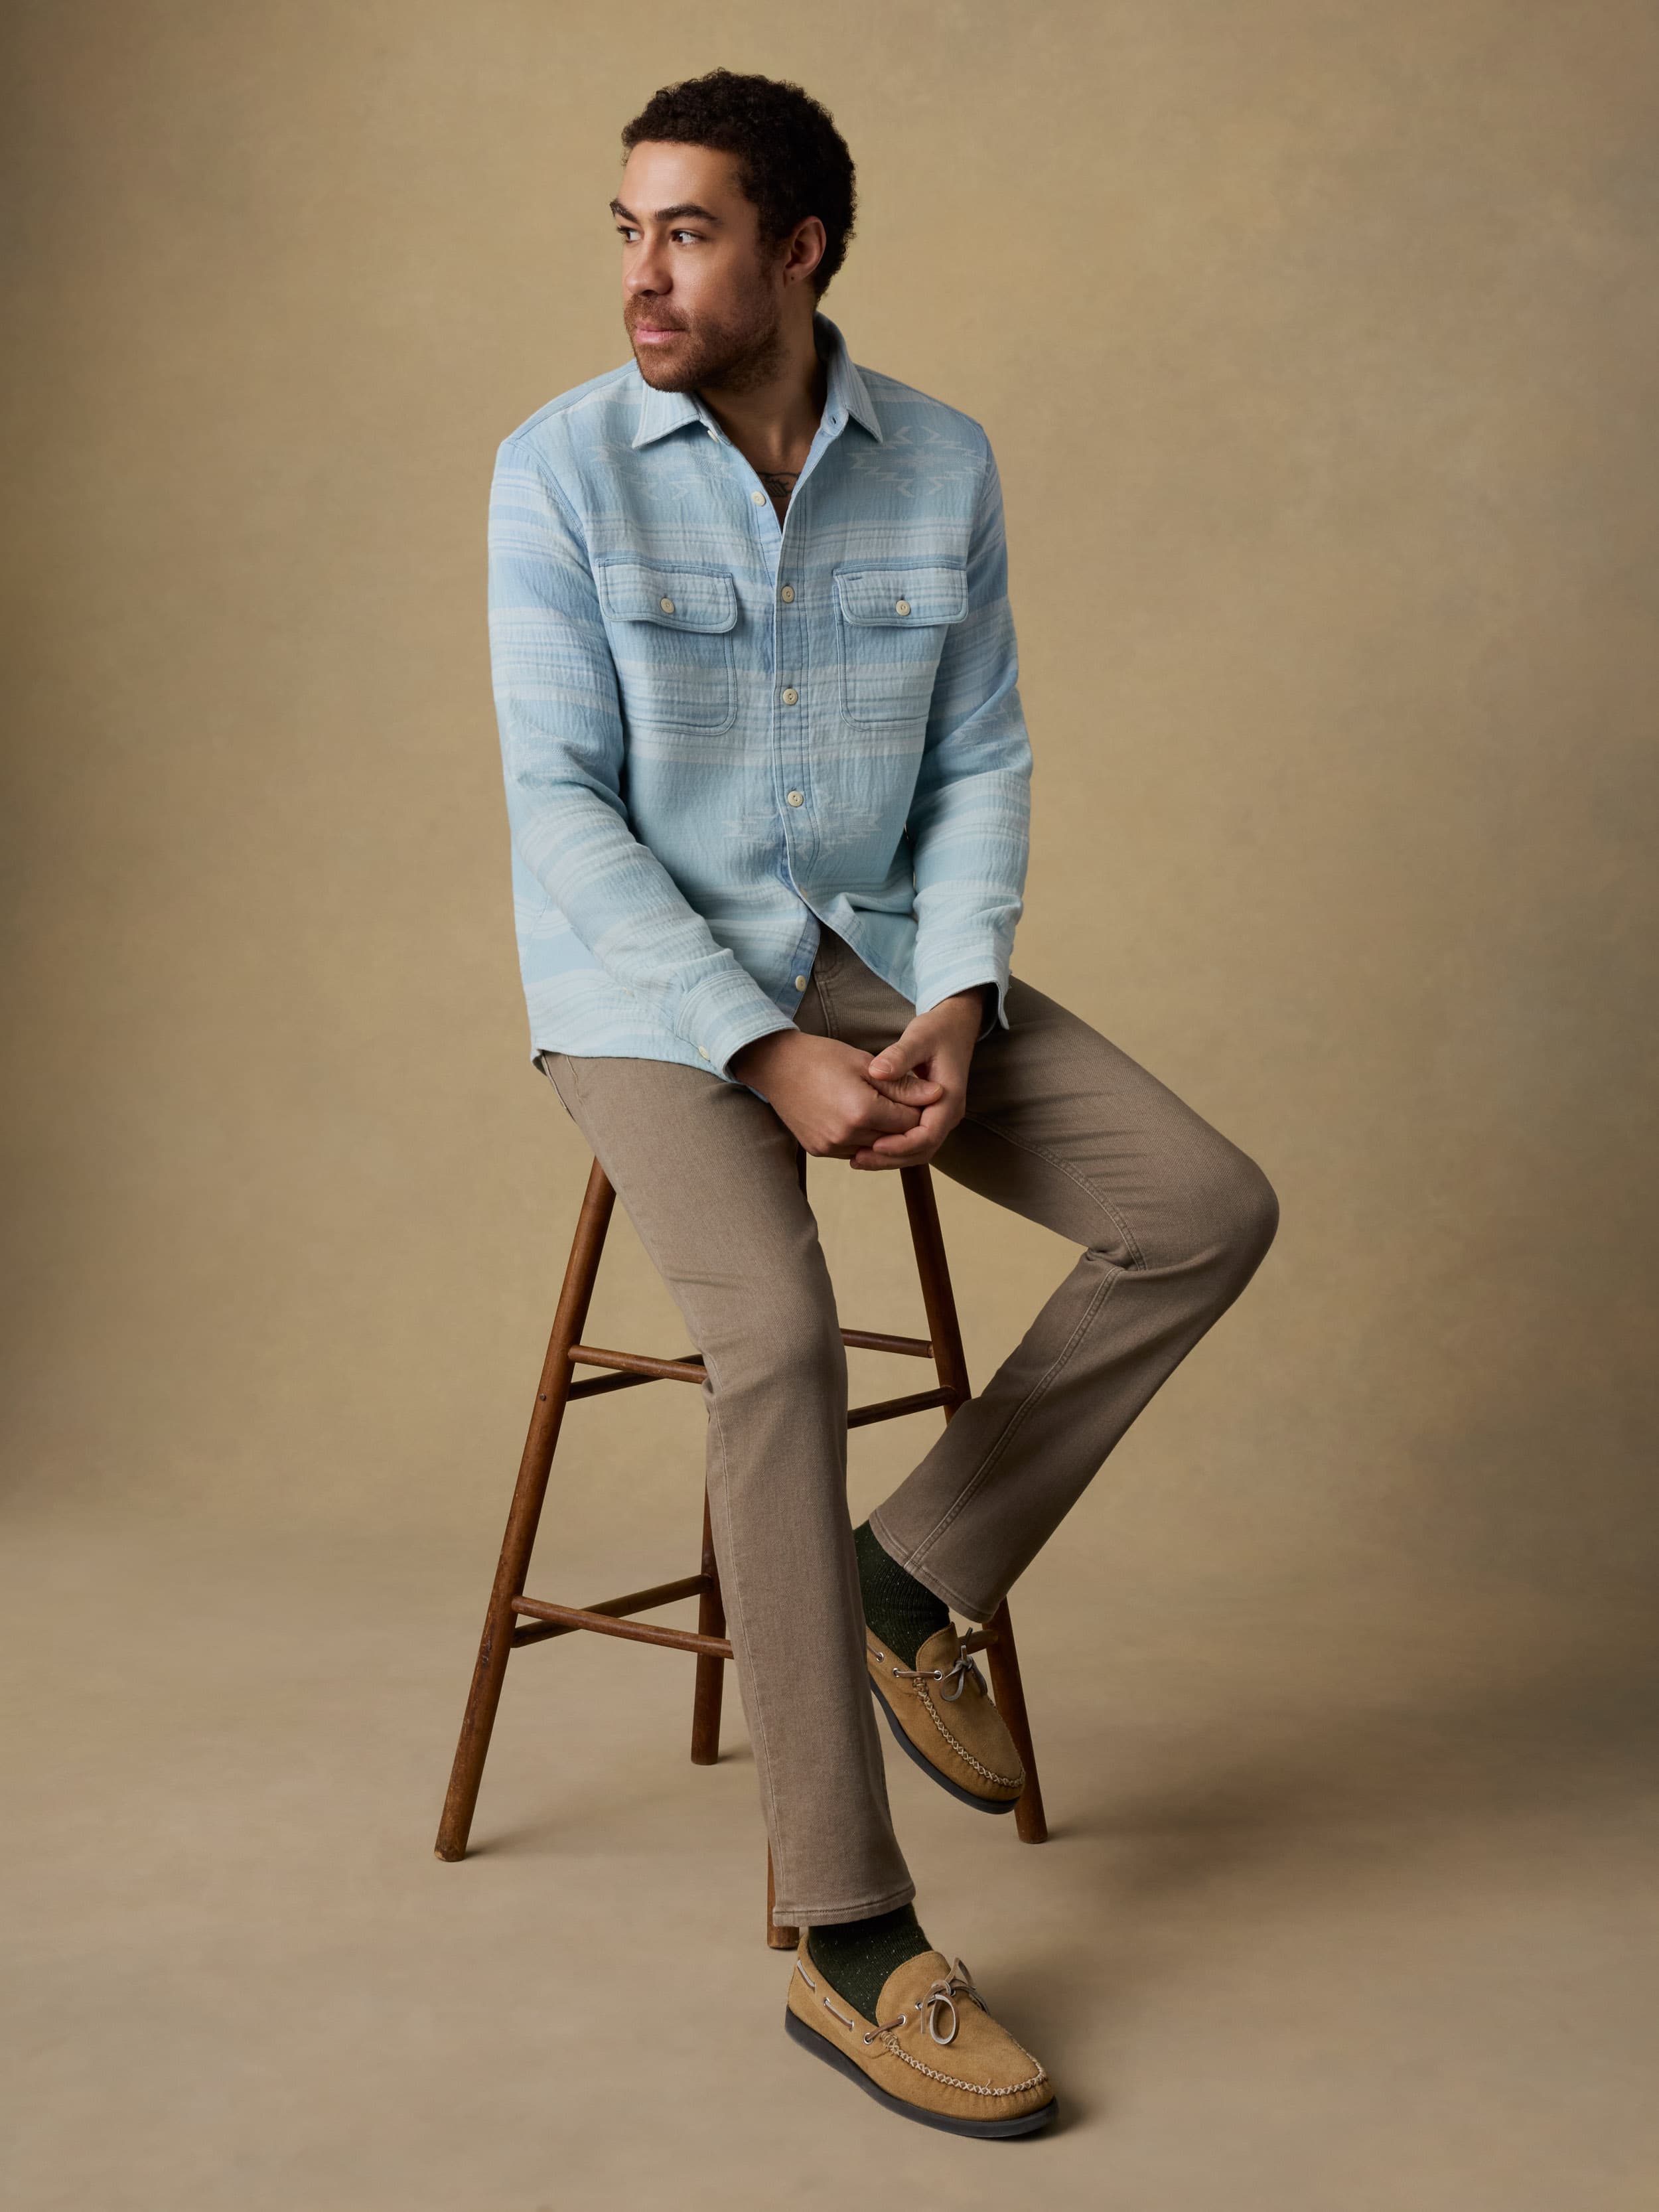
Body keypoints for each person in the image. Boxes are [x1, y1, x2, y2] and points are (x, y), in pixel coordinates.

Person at [487, 66, 1279, 2138]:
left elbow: (982, 754)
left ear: (799, 249)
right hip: (647, 995)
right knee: (772, 1345)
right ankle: (852, 1937)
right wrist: (759, 1048)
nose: (643, 274)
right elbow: (560, 813)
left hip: (868, 954)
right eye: (628, 230)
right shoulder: (557, 471)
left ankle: (908, 1573)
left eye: (688, 232)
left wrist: (944, 986)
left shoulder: (940, 462)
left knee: (1202, 1205)